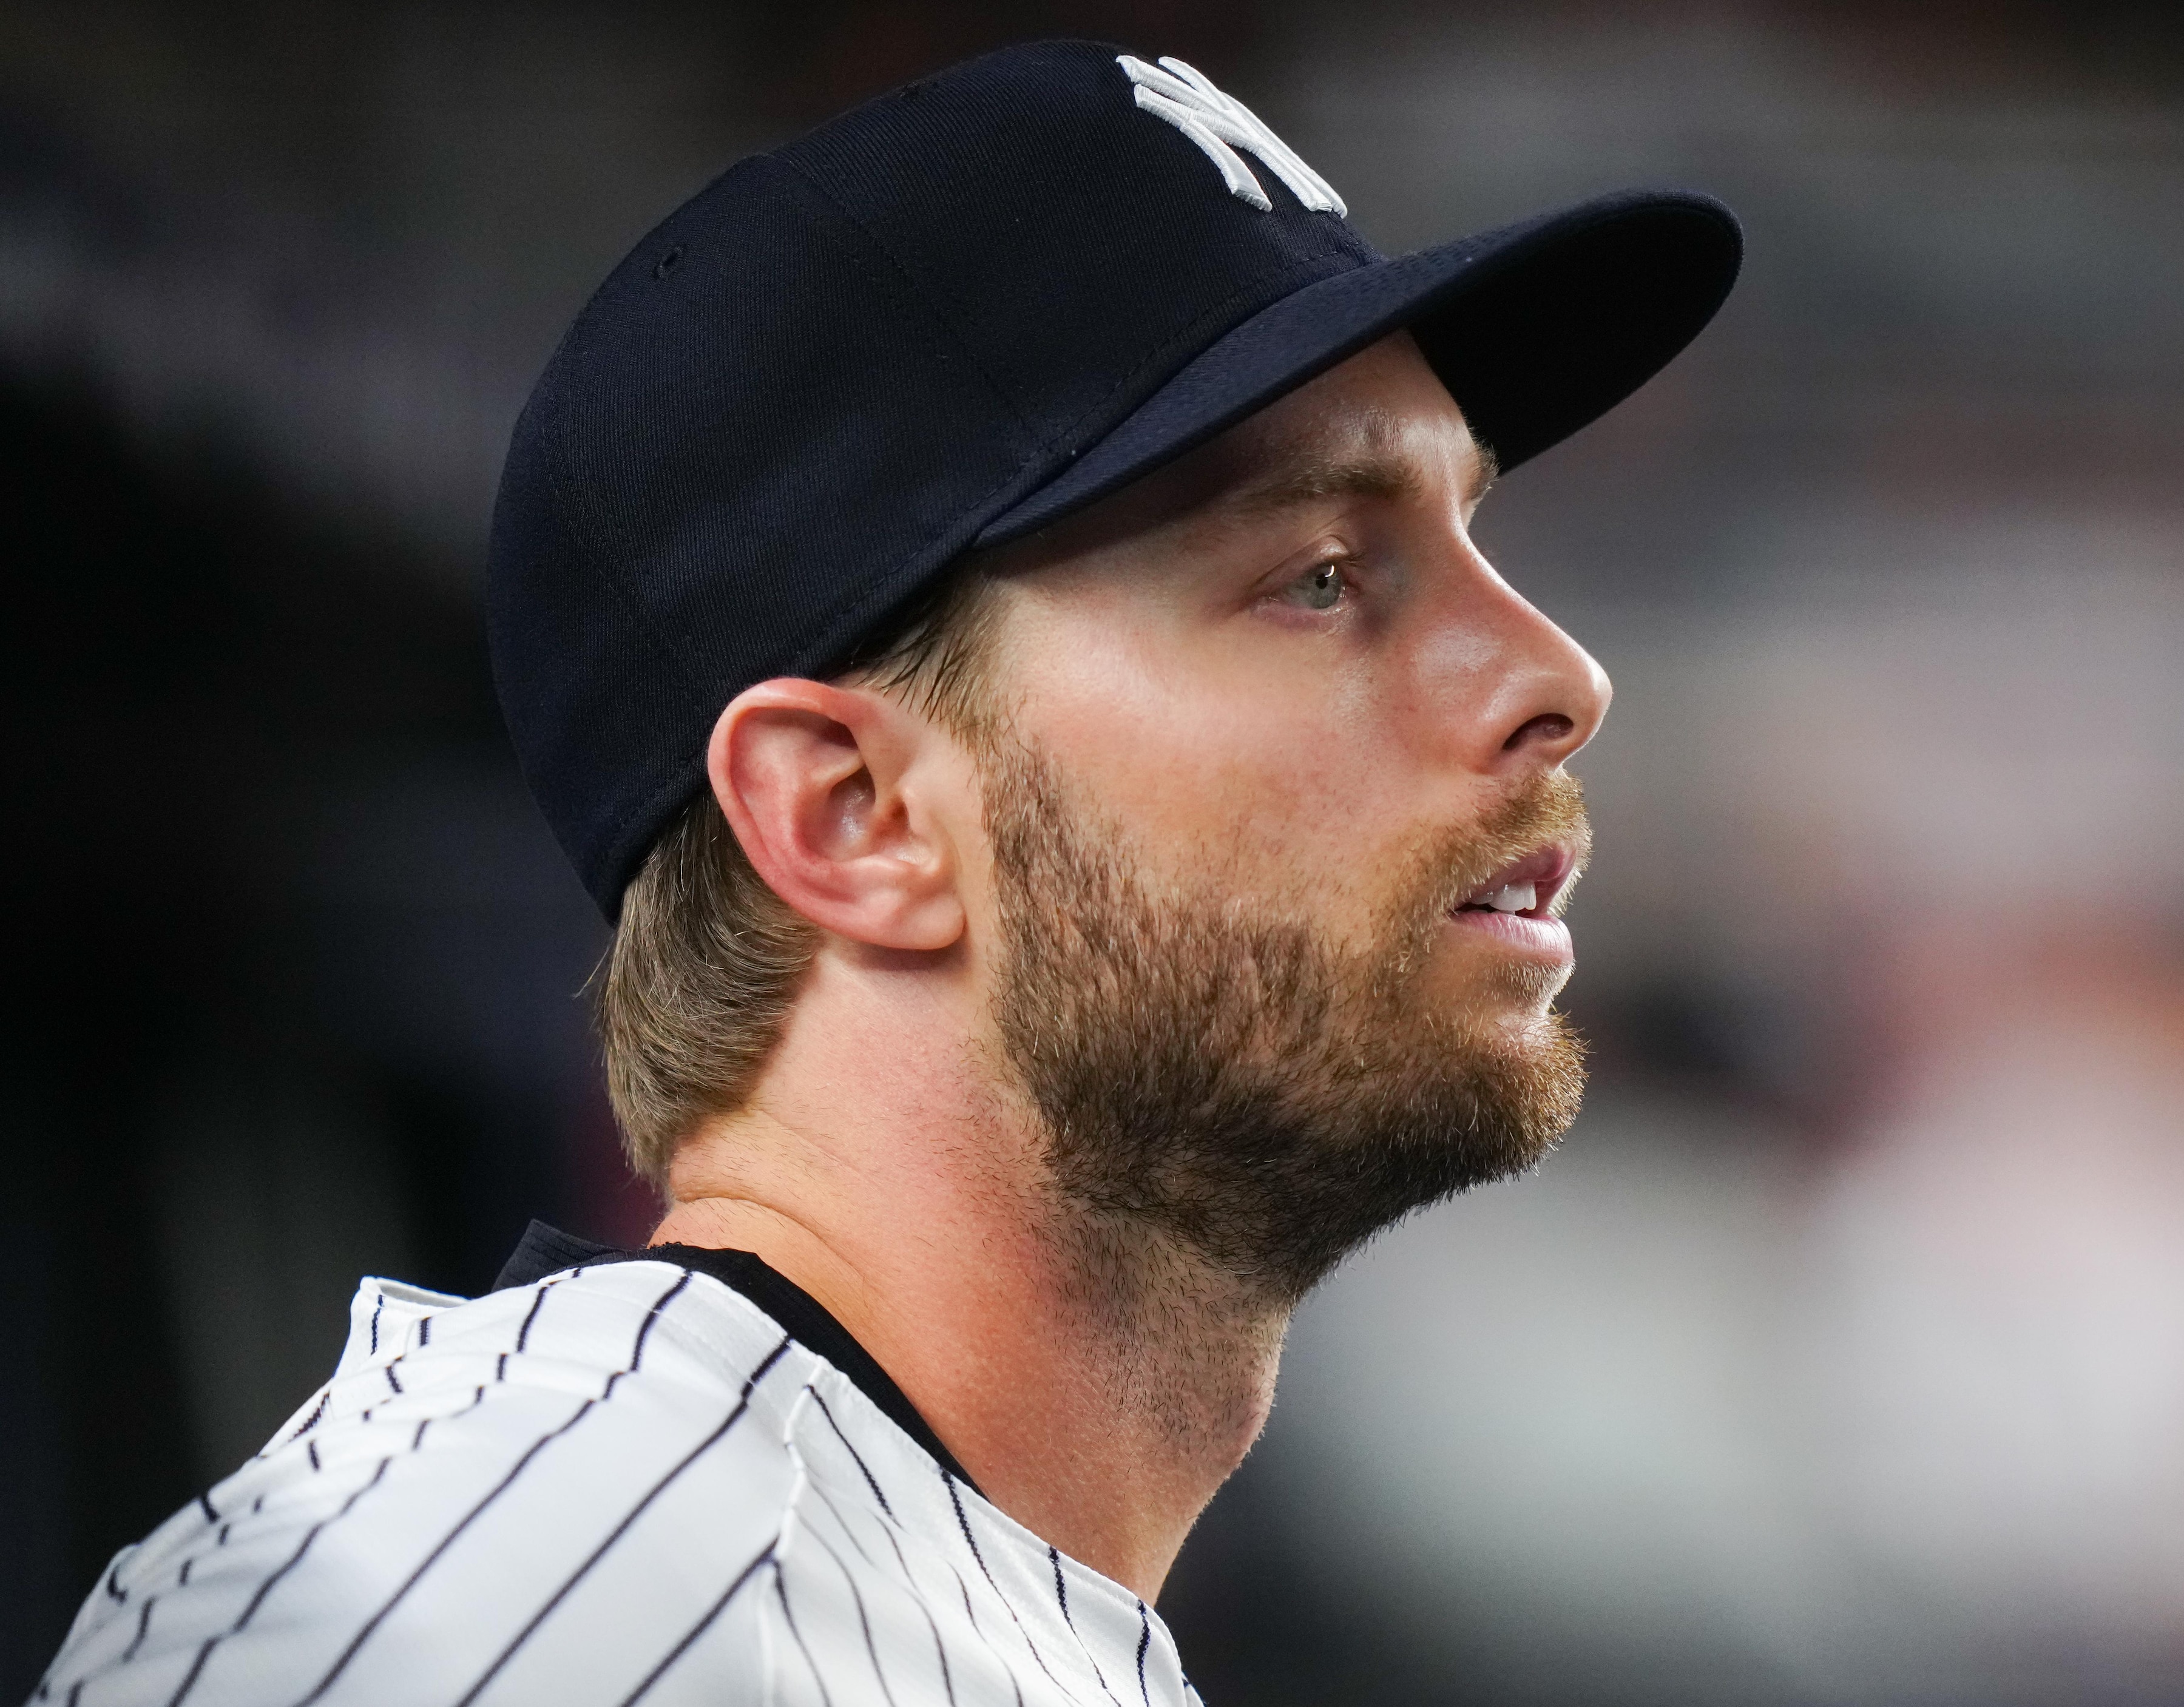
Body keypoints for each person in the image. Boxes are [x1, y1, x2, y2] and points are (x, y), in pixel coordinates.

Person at [38, 39, 1738, 1706]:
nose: (1554, 672)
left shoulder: (803, 1575)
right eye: (1317, 573)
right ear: (852, 816)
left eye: (1472, 530)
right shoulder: (532, 1618)